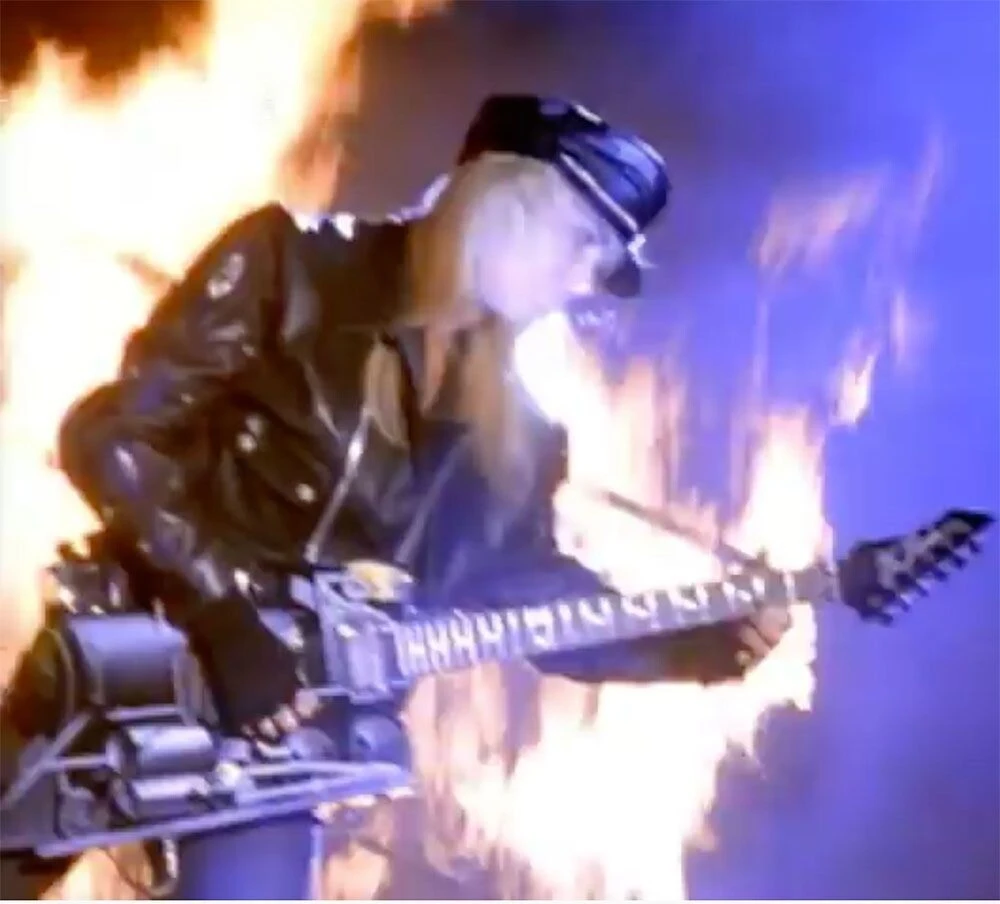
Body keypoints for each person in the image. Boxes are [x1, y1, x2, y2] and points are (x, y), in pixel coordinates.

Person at [2, 94, 789, 899]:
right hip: (132, 672)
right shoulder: (289, 266)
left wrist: (698, 645)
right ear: (501, 197)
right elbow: (113, 438)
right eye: (583, 240)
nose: (587, 280)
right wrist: (221, 615)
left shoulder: (518, 431)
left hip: (286, 749)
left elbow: (526, 598)